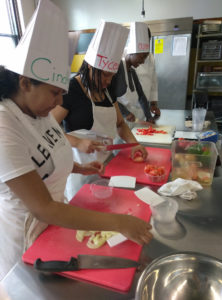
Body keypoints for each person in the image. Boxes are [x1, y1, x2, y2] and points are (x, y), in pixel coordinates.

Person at [0, 1, 152, 280]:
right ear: (24, 83)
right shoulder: (4, 126)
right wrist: (119, 223)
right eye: (54, 93)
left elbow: (48, 152)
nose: (60, 101)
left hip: (55, 224)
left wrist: (78, 168)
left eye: (61, 93)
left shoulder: (37, 109)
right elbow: (42, 207)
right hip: (24, 236)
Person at [52, 20, 148, 199]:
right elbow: (49, 129)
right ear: (90, 67)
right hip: (79, 172)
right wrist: (78, 142)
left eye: (112, 75)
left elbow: (120, 124)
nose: (108, 81)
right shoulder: (71, 89)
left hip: (109, 166)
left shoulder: (107, 91)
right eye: (105, 74)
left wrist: (135, 144)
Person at [110, 22, 161, 124]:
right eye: (141, 57)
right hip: (120, 117)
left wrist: (149, 115)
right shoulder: (118, 64)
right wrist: (125, 113)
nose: (142, 62)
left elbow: (142, 94)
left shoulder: (132, 70)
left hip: (138, 113)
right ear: (132, 52)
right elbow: (110, 97)